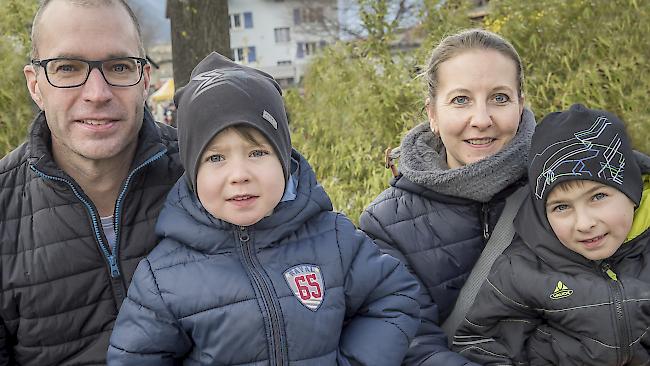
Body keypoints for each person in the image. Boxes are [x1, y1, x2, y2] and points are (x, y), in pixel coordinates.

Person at [106, 52, 420, 365]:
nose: (240, 173)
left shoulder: (334, 240)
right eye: (216, 158)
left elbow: (394, 298)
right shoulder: (164, 277)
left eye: (257, 152)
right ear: (192, 171)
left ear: (284, 158)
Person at [0, 0, 183, 364]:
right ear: (35, 85)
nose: (97, 94)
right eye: (67, 68)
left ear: (145, 80)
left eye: (118, 66)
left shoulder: (206, 176)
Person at [359, 28, 536, 365]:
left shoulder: (563, 189)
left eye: (500, 97)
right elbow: (412, 345)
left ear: (520, 105)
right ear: (433, 115)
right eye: (461, 100)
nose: (482, 119)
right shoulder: (387, 224)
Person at [452, 104, 650, 364]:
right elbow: (479, 343)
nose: (584, 223)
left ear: (632, 191)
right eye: (562, 207)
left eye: (598, 197)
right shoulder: (522, 269)